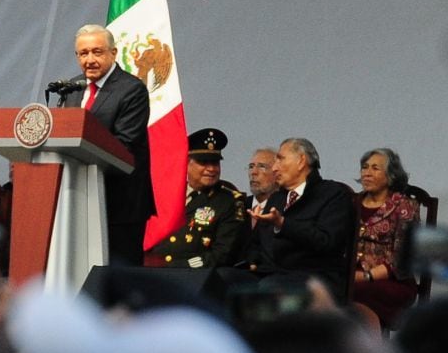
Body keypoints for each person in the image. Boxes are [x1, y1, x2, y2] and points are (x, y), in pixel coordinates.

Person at [61, 24, 154, 267]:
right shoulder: (71, 89)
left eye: (97, 52)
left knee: (119, 280)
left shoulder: (131, 90)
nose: (89, 60)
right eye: (83, 53)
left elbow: (124, 146)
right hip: (77, 198)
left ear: (113, 53)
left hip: (120, 204)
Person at [235, 137, 355, 297]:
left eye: (280, 159)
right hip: (269, 273)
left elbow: (327, 242)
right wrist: (249, 263)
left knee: (267, 289)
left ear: (301, 161)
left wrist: (284, 224)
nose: (274, 168)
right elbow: (256, 244)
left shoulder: (333, 194)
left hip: (314, 277)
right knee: (220, 279)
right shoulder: (276, 199)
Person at [145, 128, 246, 269]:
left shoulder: (229, 201)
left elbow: (223, 254)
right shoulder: (165, 193)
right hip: (152, 271)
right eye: (203, 162)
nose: (211, 169)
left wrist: (176, 266)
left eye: (215, 163)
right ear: (186, 163)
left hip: (194, 275)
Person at [351, 148, 419, 327]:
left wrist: (366, 276)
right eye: (364, 167)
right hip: (350, 274)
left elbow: (404, 255)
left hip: (391, 279)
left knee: (356, 292)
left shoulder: (404, 206)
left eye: (375, 168)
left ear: (390, 175)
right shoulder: (351, 202)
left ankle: (369, 351)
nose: (367, 173)